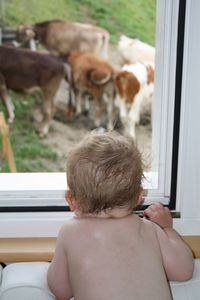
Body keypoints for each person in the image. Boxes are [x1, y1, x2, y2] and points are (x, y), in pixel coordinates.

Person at [47, 131, 194, 300]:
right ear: (139, 196)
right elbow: (183, 271)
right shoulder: (148, 229)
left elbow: (61, 290)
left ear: (71, 199)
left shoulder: (70, 232)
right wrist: (167, 228)